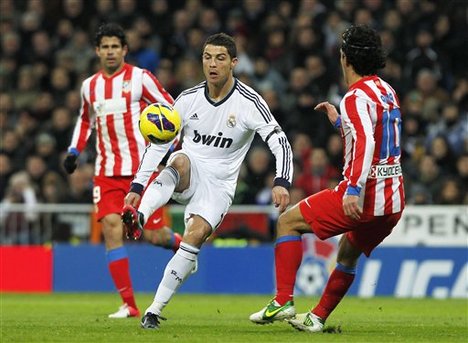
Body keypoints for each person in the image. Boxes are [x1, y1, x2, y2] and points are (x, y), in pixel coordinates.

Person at [121, 32, 293, 329]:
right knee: (180, 158)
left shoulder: (249, 102)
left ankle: (154, 310)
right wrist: (137, 187)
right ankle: (140, 216)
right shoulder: (187, 100)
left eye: (220, 58)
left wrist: (282, 180)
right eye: (207, 57)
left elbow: (280, 142)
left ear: (233, 63)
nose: (212, 64)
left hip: (220, 183)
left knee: (195, 236)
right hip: (189, 170)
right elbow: (159, 144)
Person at [249, 25, 405, 332]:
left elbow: (365, 143)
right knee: (347, 254)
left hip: (364, 193)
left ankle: (282, 300)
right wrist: (340, 124)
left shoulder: (355, 96)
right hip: (394, 200)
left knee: (287, 222)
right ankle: (317, 317)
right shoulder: (386, 90)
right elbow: (378, 134)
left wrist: (353, 189)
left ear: (345, 58)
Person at [62, 23, 182, 319]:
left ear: (124, 50)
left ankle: (186, 247)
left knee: (151, 234)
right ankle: (129, 304)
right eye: (105, 47)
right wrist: (74, 151)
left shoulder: (140, 78)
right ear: (97, 51)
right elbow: (85, 121)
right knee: (112, 230)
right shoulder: (89, 86)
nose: (110, 51)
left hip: (140, 171)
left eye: (115, 46)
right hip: (105, 172)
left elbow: (170, 109)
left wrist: (169, 146)